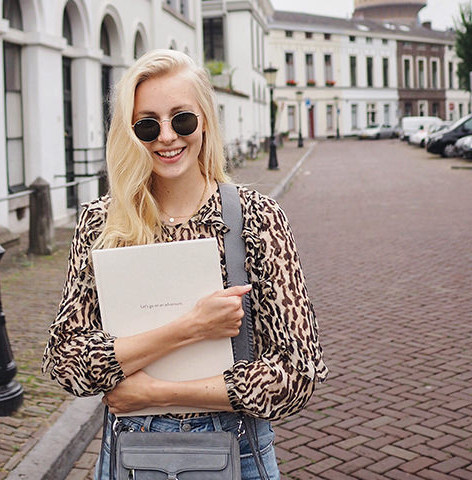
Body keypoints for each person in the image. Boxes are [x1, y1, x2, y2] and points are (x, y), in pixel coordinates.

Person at [42, 49, 327, 480]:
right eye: (148, 124)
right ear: (130, 133)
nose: (167, 137)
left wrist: (156, 393)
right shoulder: (101, 222)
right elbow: (64, 358)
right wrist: (189, 328)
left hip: (236, 447)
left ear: (205, 120)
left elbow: (297, 372)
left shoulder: (257, 217)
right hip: (131, 449)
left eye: (182, 119)